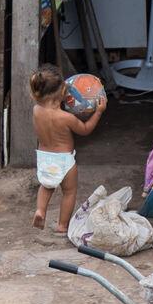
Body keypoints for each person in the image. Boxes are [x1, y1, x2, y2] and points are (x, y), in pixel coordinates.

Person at [30, 65, 107, 231]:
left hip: (44, 157)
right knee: (69, 192)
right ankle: (62, 225)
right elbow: (85, 129)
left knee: (46, 186)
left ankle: (40, 211)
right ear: (61, 93)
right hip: (64, 160)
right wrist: (98, 112)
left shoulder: (36, 111)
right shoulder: (66, 117)